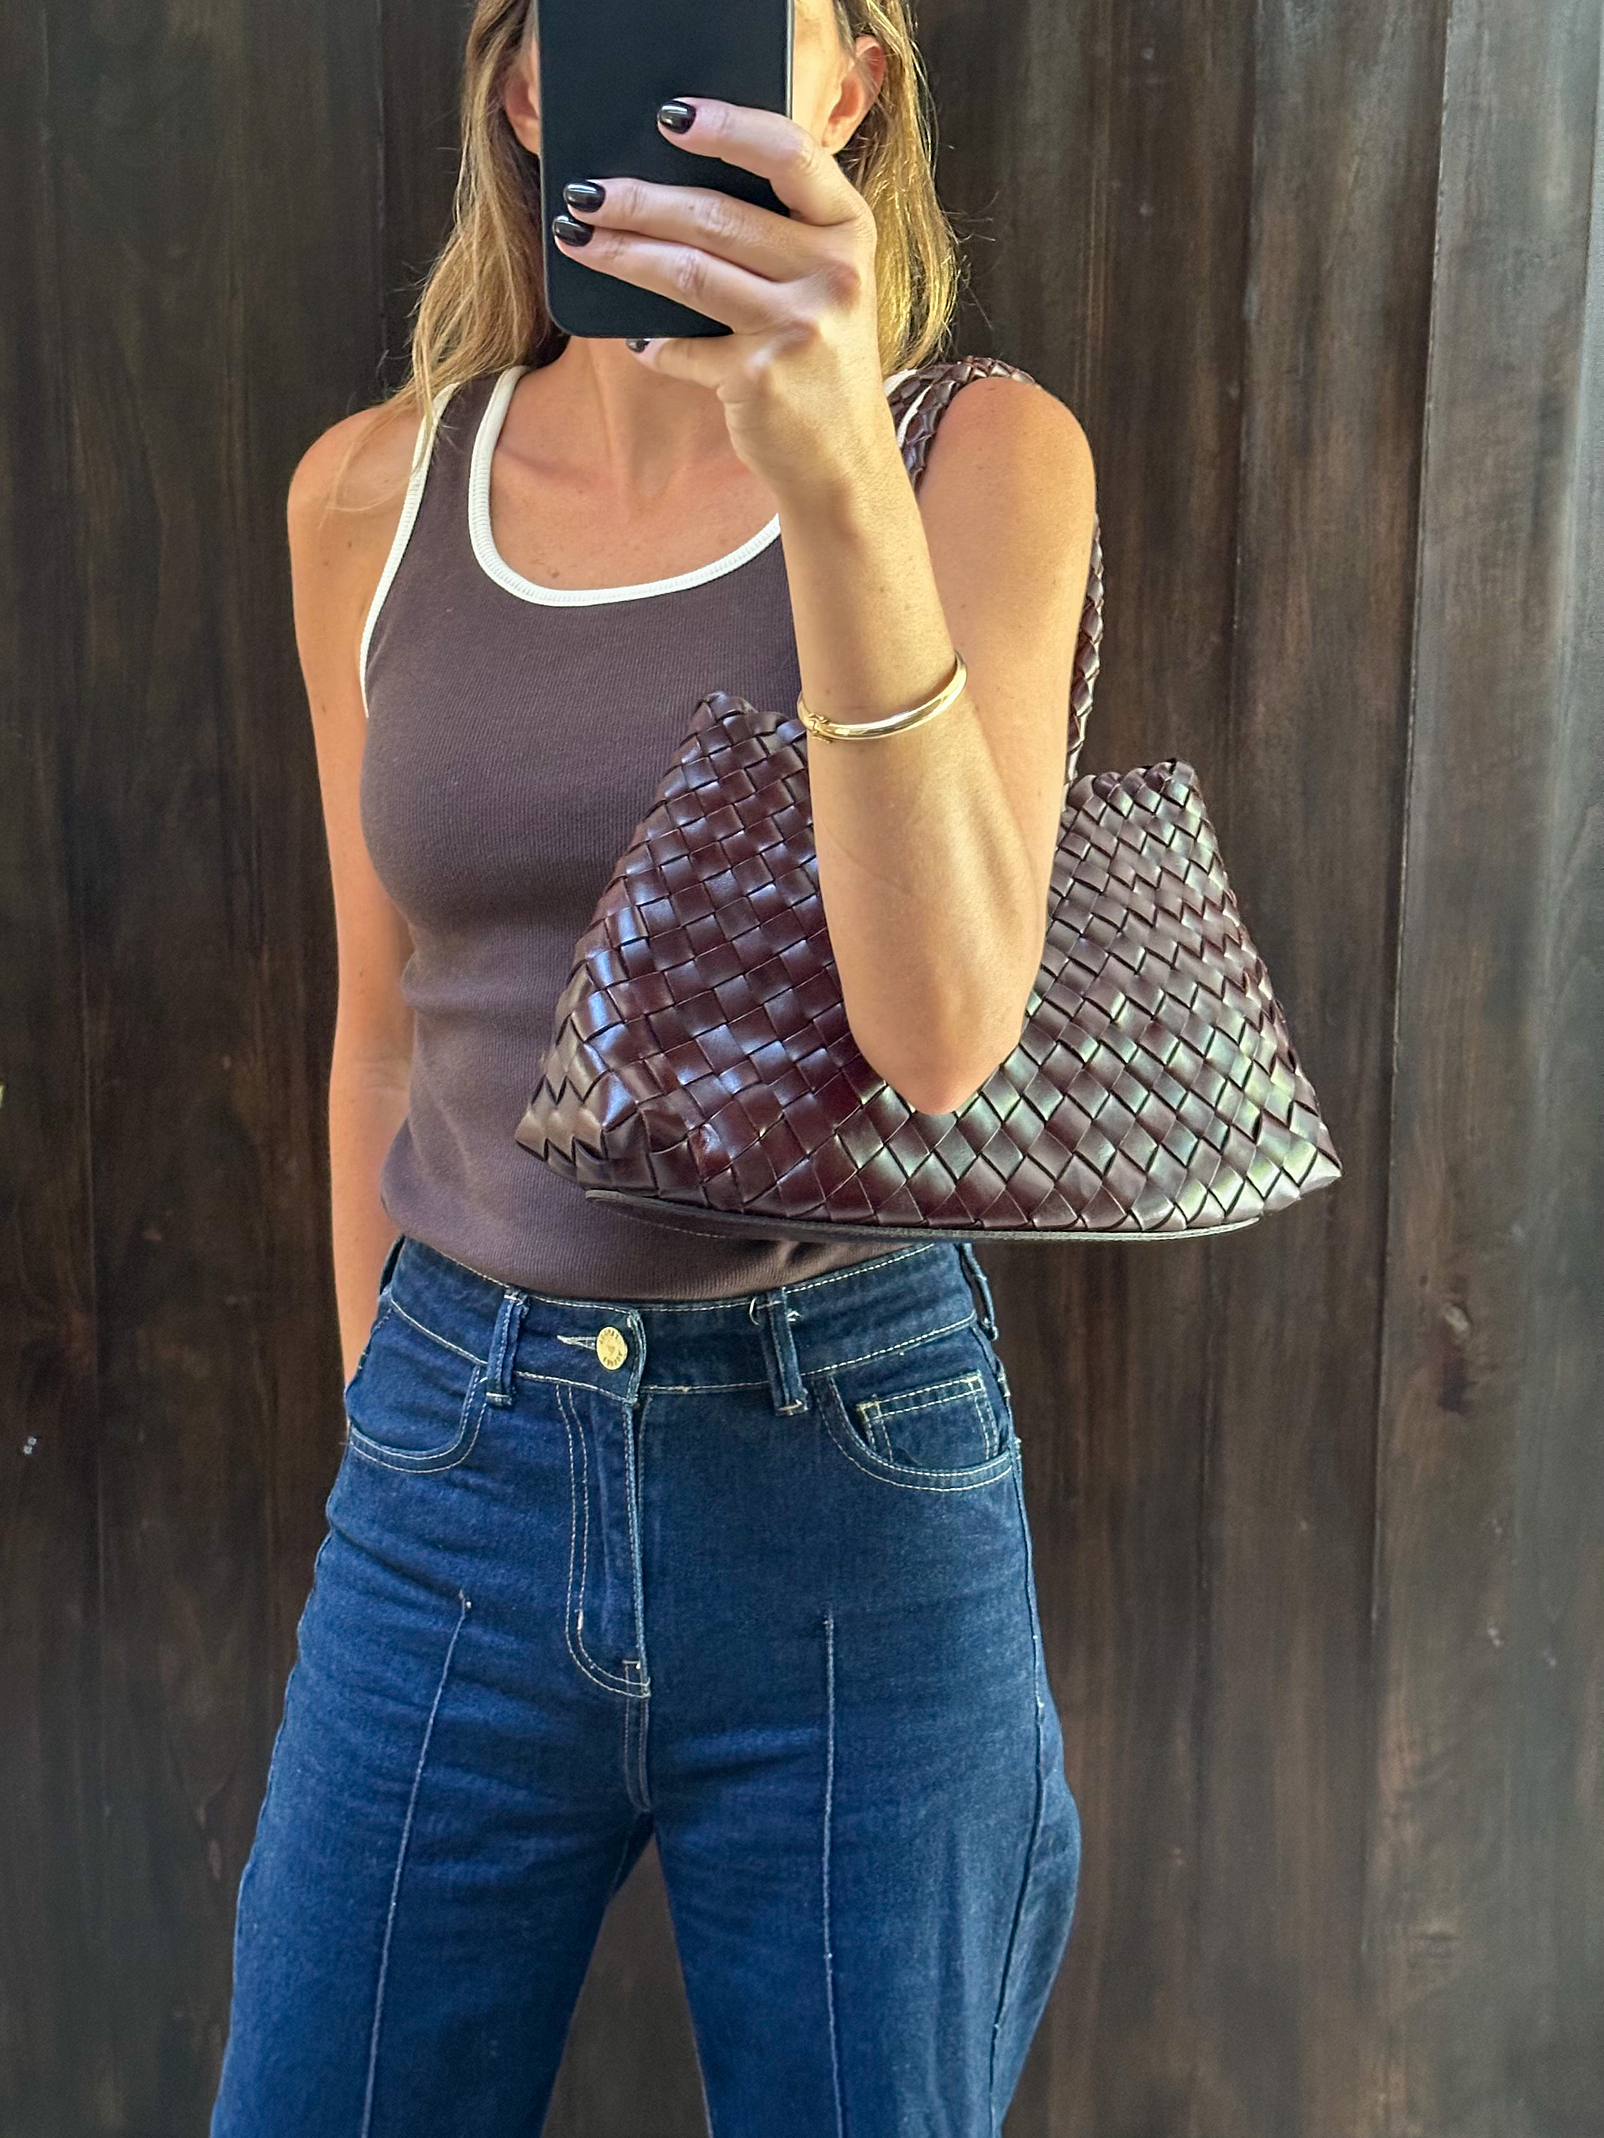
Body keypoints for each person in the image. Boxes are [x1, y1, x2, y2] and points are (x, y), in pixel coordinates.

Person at [211, 1, 1095, 2131]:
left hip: (844, 1467)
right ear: (529, 81)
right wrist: (405, 1422)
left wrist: (831, 472)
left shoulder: (979, 458)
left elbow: (944, 1037)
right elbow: (377, 1024)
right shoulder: (369, 493)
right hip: (457, 1462)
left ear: (849, 85)